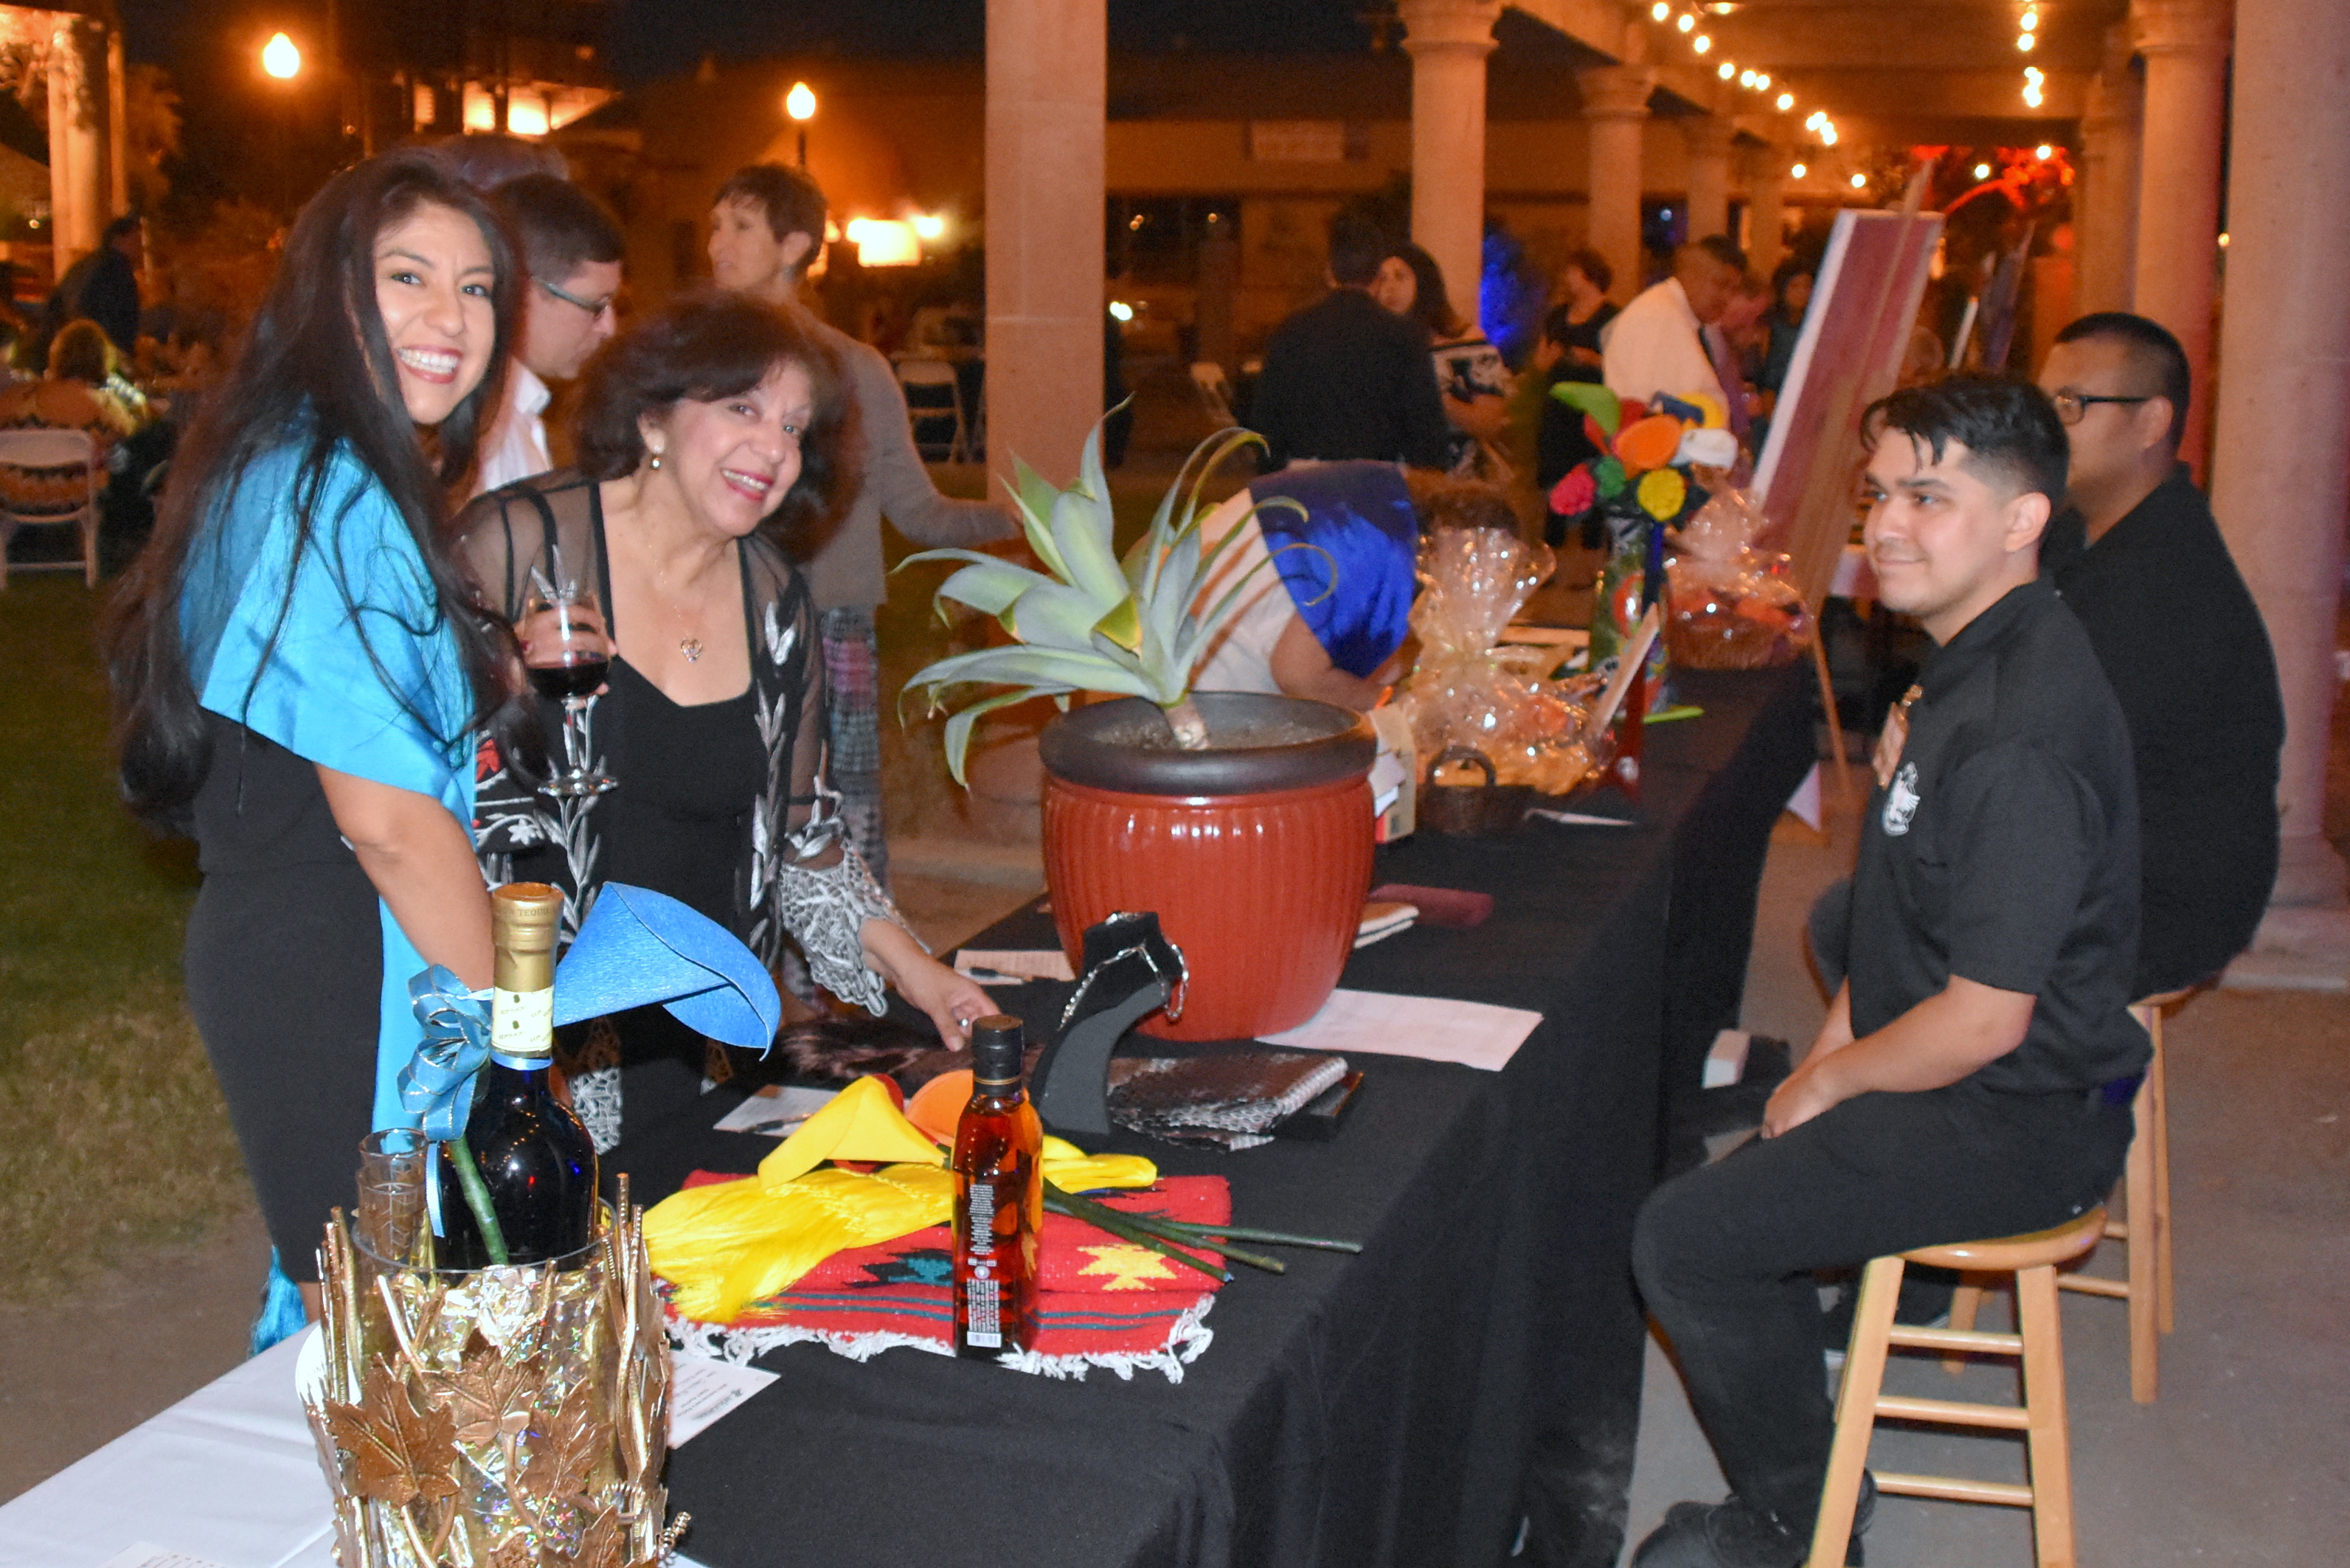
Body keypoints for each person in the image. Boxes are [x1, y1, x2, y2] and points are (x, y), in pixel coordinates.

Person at [1623, 377, 2146, 1568]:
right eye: (1877, 496)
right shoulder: (1973, 650)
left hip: (2019, 1115)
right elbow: (1900, 909)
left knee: (1684, 1238)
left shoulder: (2016, 733)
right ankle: (1824, 1410)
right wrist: (1825, 1055)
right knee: (1748, 1173)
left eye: (1927, 497)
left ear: (2021, 519)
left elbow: (1983, 1021)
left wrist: (1834, 1079)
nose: (1885, 525)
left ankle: (1799, 1526)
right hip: (1981, 1072)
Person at [103, 150, 523, 1313]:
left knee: (370, 1341)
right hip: (337, 960)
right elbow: (389, 822)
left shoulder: (292, 461)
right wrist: (512, 1035)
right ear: (329, 295)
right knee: (376, 1346)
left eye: (477, 288)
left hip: (329, 948)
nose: (451, 318)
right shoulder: (325, 487)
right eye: (407, 276)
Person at [465, 291, 991, 1151]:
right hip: (542, 1045)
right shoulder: (520, 547)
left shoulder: (775, 600)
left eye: (795, 427)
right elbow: (411, 781)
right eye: (743, 408)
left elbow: (802, 836)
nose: (775, 448)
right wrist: (502, 680)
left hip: (712, 1039)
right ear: (654, 417)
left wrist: (920, 972)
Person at [705, 163, 1016, 886]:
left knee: (839, 813)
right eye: (716, 225)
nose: (719, 244)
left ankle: (851, 951)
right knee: (723, 811)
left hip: (827, 621)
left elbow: (917, 510)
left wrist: (1014, 520)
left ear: (794, 245)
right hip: (716, 618)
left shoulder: (853, 369)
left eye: (741, 226)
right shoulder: (697, 366)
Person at [2037, 311, 2285, 996]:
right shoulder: (2085, 533)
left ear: (2151, 422)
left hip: (2160, 901)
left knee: (1866, 923)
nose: (2046, 430)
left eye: (2071, 405)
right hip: (2109, 853)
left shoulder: (2165, 579)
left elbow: (2052, 753)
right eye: (2044, 405)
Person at [1185, 462, 1479, 710]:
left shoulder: (1379, 500)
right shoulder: (1382, 546)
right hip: (1212, 695)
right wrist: (1399, 709)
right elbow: (1299, 676)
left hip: (1203, 643)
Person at [1249, 207, 1452, 472]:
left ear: (1329, 272)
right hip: (1378, 482)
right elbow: (1427, 432)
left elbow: (1266, 423)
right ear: (1377, 276)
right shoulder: (1403, 335)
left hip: (1305, 480)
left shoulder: (1291, 332)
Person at [472, 173, 625, 494]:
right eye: (597, 306)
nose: (609, 328)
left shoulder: (521, 410)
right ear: (523, 293)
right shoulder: (484, 432)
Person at [1373, 242, 1511, 476]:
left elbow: (1489, 423)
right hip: (1388, 478)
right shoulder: (1372, 346)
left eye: (1400, 277)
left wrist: (1435, 397)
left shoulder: (1464, 343)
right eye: (1382, 279)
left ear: (1424, 282)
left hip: (1454, 479)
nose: (1390, 288)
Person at [1603, 235, 1744, 409]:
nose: (1727, 298)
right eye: (1721, 284)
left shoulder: (1674, 314)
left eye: (1733, 290)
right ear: (1692, 275)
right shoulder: (1657, 315)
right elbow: (1645, 401)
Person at [42, 214, 144, 363]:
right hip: (98, 349)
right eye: (136, 241)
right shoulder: (117, 267)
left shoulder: (82, 266)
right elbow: (125, 316)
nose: (140, 248)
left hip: (69, 345)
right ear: (118, 239)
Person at [1537, 248, 1619, 375]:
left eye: (1573, 272)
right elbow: (1539, 363)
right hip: (1557, 385)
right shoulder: (1557, 315)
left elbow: (1623, 366)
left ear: (1590, 275)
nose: (1567, 278)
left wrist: (1592, 359)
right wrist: (1551, 358)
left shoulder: (1613, 318)